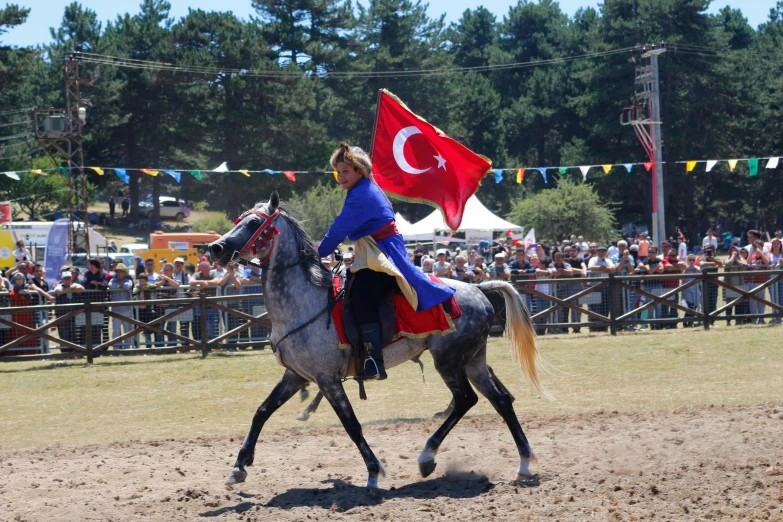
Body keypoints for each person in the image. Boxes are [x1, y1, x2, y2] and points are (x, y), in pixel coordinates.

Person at [316, 143, 455, 381]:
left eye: (346, 171)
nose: (341, 177)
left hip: (383, 253)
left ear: (359, 171)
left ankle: (373, 361)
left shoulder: (360, 194)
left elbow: (339, 228)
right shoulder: (364, 188)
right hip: (372, 250)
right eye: (338, 172)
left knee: (362, 298)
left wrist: (319, 251)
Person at [54, 271, 84, 350]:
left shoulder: (75, 284)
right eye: (65, 278)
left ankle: (74, 352)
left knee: (74, 334)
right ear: (62, 279)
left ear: (71, 279)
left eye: (69, 278)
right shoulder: (59, 285)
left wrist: (68, 289)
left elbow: (82, 288)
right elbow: (59, 291)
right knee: (64, 334)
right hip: (62, 315)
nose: (67, 280)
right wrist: (71, 289)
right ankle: (65, 353)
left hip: (74, 315)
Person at [108, 263, 135, 349]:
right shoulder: (113, 280)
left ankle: (127, 348)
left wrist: (121, 286)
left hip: (127, 310)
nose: (119, 273)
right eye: (117, 271)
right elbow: (110, 286)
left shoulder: (128, 280)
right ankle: (116, 349)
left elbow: (128, 286)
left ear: (124, 273)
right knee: (116, 331)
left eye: (121, 271)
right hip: (116, 310)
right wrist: (121, 286)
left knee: (127, 330)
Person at [696, 246, 722, 327]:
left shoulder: (716, 258)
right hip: (704, 285)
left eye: (711, 251)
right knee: (705, 304)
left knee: (713, 304)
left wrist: (713, 260)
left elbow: (720, 264)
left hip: (714, 285)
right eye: (707, 251)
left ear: (714, 251)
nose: (709, 252)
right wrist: (713, 263)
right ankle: (705, 321)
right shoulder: (702, 258)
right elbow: (701, 264)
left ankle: (712, 322)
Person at [746, 240, 769, 324]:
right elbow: (747, 263)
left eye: (759, 247)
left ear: (762, 248)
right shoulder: (752, 256)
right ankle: (754, 319)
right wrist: (752, 253)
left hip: (761, 281)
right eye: (756, 247)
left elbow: (767, 263)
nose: (757, 249)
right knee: (752, 301)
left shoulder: (765, 255)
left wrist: (761, 254)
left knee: (761, 301)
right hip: (752, 281)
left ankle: (761, 318)